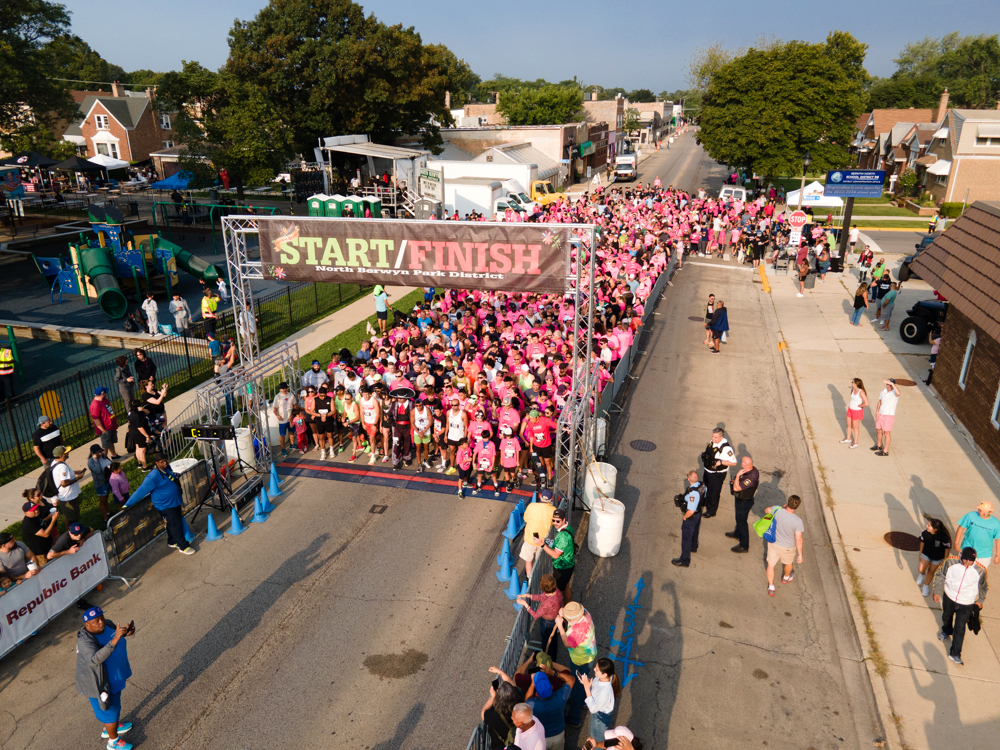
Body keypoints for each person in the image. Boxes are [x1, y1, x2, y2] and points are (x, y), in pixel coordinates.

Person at [75, 606, 135, 750]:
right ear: (87, 625)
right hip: (99, 684)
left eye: (101, 617)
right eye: (96, 621)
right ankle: (113, 741)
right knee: (110, 709)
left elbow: (116, 635)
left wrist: (126, 632)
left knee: (112, 707)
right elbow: (94, 659)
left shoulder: (107, 624)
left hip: (114, 677)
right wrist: (115, 640)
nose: (101, 622)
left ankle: (110, 727)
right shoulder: (85, 641)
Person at [125, 452, 195, 555]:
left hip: (174, 502)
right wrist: (127, 504)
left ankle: (172, 541)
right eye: (162, 462)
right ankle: (183, 546)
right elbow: (140, 491)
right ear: (156, 463)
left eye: (166, 460)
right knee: (176, 525)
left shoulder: (167, 468)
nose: (165, 463)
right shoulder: (152, 477)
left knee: (172, 523)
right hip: (165, 505)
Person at [932, 547, 988, 665]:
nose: (967, 563)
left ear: (975, 559)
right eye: (965, 559)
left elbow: (983, 586)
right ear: (961, 556)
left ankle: (955, 653)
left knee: (960, 628)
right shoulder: (950, 562)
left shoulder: (980, 570)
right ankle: (946, 631)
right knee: (946, 616)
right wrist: (937, 591)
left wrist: (981, 600)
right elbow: (940, 575)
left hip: (966, 602)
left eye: (971, 560)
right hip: (949, 596)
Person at [553, 601, 597, 729]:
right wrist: (565, 615)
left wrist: (560, 625)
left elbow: (567, 643)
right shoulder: (585, 613)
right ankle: (584, 700)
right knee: (583, 680)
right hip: (590, 654)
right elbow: (573, 617)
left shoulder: (577, 631)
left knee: (576, 686)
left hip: (580, 660)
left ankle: (574, 718)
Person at [763, 495, 805, 596]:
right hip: (788, 547)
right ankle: (786, 577)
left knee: (771, 565)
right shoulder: (798, 521)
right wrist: (800, 555)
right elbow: (798, 539)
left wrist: (781, 507)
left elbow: (766, 510)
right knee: (788, 563)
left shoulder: (777, 510)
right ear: (798, 507)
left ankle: (771, 586)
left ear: (787, 502)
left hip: (773, 543)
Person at [517, 572, 563, 661]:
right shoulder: (556, 591)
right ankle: (553, 658)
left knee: (546, 642)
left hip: (547, 623)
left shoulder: (547, 603)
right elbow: (542, 596)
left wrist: (525, 604)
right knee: (553, 641)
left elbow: (535, 615)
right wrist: (527, 595)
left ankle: (548, 661)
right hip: (554, 620)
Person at [581, 658, 620, 740]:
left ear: (605, 674)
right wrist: (587, 682)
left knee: (596, 739)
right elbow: (595, 689)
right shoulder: (600, 678)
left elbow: (593, 708)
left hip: (600, 718)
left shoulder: (605, 692)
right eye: (595, 667)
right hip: (598, 712)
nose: (594, 669)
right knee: (593, 735)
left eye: (597, 670)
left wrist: (587, 688)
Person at [700, 427, 736, 518]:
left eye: (715, 437)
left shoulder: (726, 448)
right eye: (712, 436)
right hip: (708, 470)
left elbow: (734, 462)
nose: (713, 438)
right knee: (705, 488)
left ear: (721, 437)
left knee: (714, 492)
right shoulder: (713, 441)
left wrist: (721, 462)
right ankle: (705, 502)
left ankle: (711, 511)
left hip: (717, 474)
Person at [726, 456, 759, 552]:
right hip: (741, 499)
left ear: (745, 464)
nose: (740, 462)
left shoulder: (751, 478)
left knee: (742, 522)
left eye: (741, 461)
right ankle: (737, 533)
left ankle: (744, 546)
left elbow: (736, 488)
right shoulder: (752, 470)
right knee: (738, 518)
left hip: (744, 502)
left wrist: (737, 476)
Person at [542, 508, 576, 602]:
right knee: (566, 586)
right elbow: (559, 547)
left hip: (562, 567)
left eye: (558, 521)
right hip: (569, 564)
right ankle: (567, 604)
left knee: (558, 593)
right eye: (553, 520)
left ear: (563, 520)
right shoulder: (567, 528)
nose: (555, 523)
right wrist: (548, 542)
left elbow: (555, 555)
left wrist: (542, 544)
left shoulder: (563, 536)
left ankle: (560, 614)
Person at [520, 489, 555, 578]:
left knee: (528, 561)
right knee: (539, 561)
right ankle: (539, 579)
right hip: (542, 541)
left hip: (530, 538)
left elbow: (525, 518)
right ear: (551, 499)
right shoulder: (553, 510)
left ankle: (529, 580)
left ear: (540, 497)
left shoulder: (531, 506)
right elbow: (553, 524)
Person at [954, 501, 1000, 568]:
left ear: (990, 512)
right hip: (967, 549)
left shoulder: (996, 523)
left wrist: (997, 556)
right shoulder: (970, 515)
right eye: (979, 509)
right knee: (961, 571)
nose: (980, 512)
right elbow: (961, 528)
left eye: (983, 511)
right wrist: (956, 543)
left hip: (984, 555)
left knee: (978, 575)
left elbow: (998, 539)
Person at [672, 470, 704, 567]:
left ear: (689, 479)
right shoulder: (702, 485)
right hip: (699, 512)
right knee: (695, 531)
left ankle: (684, 560)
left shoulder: (693, 494)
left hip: (691, 516)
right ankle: (694, 547)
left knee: (686, 538)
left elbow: (691, 510)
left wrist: (685, 516)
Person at [917, 517, 952, 597]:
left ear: (935, 529)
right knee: (921, 569)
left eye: (929, 525)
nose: (926, 526)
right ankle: (922, 574)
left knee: (931, 571)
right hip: (926, 554)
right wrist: (920, 553)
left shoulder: (944, 537)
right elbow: (922, 543)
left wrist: (945, 561)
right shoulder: (925, 533)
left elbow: (947, 549)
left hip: (937, 558)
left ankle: (926, 586)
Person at [51, 445, 86, 523]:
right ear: (61, 455)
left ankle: (70, 531)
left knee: (68, 516)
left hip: (64, 496)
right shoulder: (62, 467)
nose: (68, 453)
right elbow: (63, 483)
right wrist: (77, 478)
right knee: (73, 518)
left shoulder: (54, 462)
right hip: (69, 496)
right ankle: (74, 533)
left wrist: (75, 472)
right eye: (65, 452)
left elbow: (61, 475)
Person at [20, 494, 59, 563]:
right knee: (47, 569)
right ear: (25, 513)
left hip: (47, 547)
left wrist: (49, 517)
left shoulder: (35, 516)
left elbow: (41, 522)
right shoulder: (28, 523)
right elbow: (45, 534)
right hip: (40, 553)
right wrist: (53, 520)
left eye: (36, 508)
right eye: (33, 510)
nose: (36, 511)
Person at [90, 387, 122, 460]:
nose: (106, 393)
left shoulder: (104, 400)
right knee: (105, 445)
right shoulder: (95, 405)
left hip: (111, 426)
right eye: (105, 392)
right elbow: (96, 419)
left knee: (111, 442)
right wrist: (102, 429)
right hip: (105, 428)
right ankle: (104, 460)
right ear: (102, 394)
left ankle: (114, 455)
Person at [872, 379, 900, 456]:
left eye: (890, 384)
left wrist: (893, 384)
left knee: (886, 433)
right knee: (878, 430)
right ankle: (879, 445)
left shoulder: (894, 393)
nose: (888, 386)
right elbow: (880, 401)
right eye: (887, 384)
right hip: (881, 414)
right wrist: (877, 411)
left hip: (889, 415)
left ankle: (885, 451)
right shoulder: (883, 392)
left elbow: (898, 393)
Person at [88, 444, 115, 520]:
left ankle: (108, 512)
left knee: (106, 497)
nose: (100, 453)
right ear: (93, 453)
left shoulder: (103, 456)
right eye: (98, 452)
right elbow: (98, 471)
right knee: (102, 500)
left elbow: (109, 461)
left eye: (100, 451)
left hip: (108, 480)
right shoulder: (91, 461)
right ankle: (105, 518)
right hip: (101, 484)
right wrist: (96, 459)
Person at [840, 378, 869, 449]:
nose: (851, 383)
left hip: (857, 411)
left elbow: (866, 403)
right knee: (848, 424)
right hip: (850, 409)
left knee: (855, 427)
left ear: (856, 383)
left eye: (852, 382)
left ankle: (855, 442)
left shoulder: (861, 392)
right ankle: (848, 438)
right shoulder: (853, 390)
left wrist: (860, 405)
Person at [271, 382, 296, 458]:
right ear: (280, 389)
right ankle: (283, 449)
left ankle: (292, 444)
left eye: (286, 388)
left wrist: (293, 414)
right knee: (282, 435)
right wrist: (278, 416)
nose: (285, 389)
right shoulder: (277, 397)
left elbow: (294, 405)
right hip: (282, 419)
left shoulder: (291, 395)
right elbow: (274, 409)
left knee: (291, 431)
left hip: (290, 418)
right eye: (283, 388)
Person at [127, 400, 152, 469]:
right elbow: (140, 428)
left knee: (138, 447)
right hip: (139, 434)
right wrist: (147, 436)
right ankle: (145, 467)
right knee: (143, 450)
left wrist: (143, 409)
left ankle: (140, 463)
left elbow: (148, 412)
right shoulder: (137, 416)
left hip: (133, 432)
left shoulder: (130, 412)